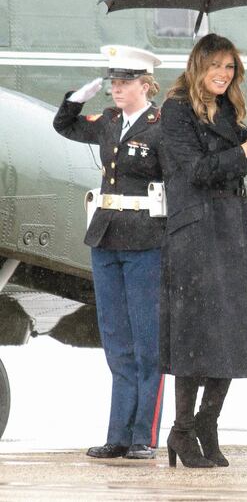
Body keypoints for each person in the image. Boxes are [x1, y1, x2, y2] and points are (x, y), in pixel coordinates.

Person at [159, 33, 247, 468]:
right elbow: (196, 171)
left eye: (230, 68)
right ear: (199, 66)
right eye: (216, 66)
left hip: (230, 232)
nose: (224, 74)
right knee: (196, 334)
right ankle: (182, 430)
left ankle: (207, 422)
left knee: (229, 331)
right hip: (194, 234)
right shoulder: (176, 110)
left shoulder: (226, 110)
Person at [53, 45, 165, 460]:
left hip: (146, 238)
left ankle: (143, 435)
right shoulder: (109, 122)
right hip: (106, 236)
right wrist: (75, 99)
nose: (116, 89)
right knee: (117, 340)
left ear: (145, 84)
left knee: (147, 342)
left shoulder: (160, 127)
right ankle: (118, 434)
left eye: (124, 82)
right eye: (113, 82)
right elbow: (64, 126)